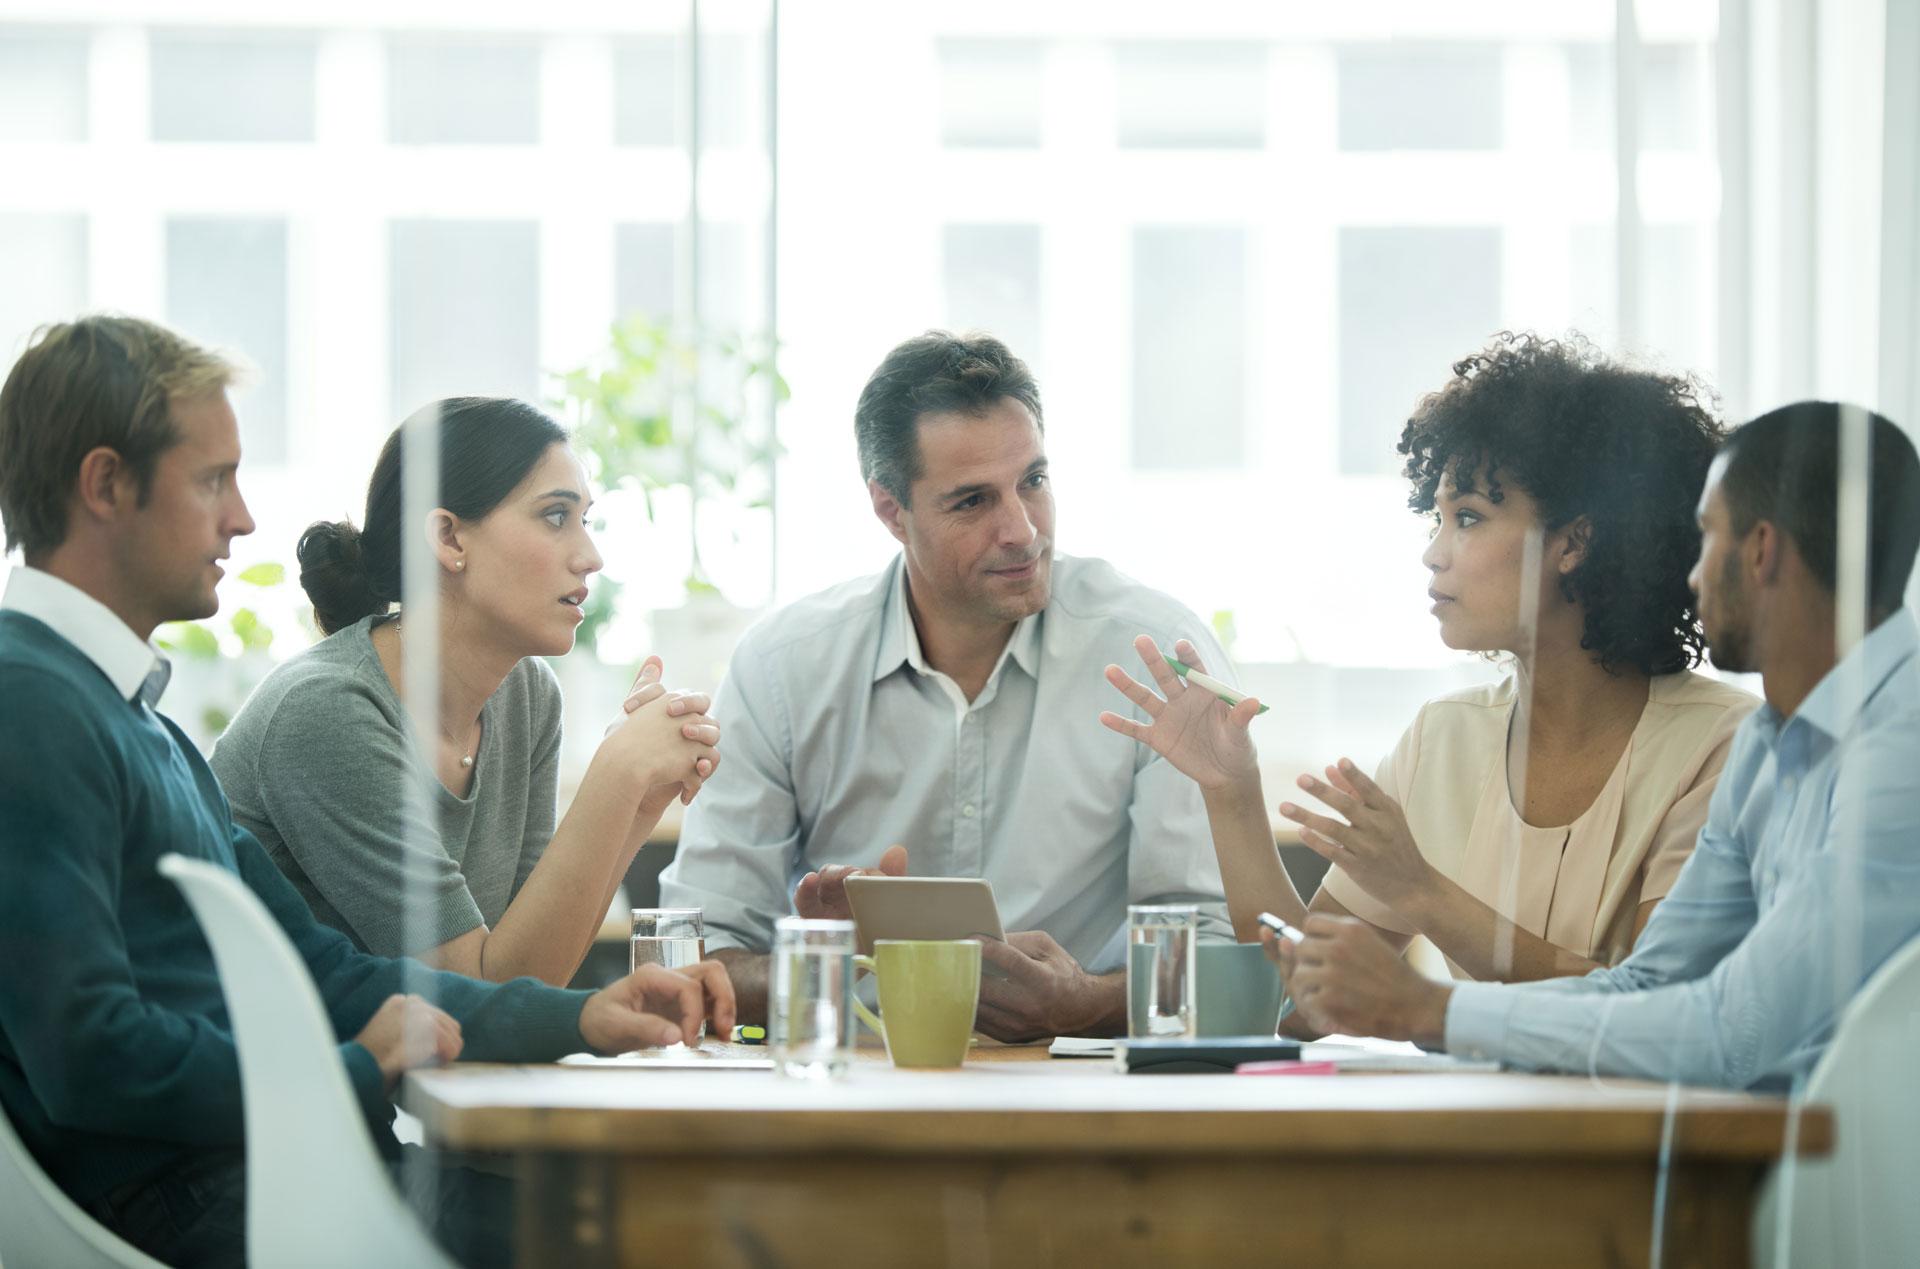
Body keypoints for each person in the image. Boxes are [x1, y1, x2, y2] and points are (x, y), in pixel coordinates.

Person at [0, 315, 737, 1269]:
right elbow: (90, 1059)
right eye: (213, 479)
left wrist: (584, 1018)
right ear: (105, 485)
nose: (245, 519)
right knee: (649, 1237)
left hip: (269, 1168)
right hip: (191, 1201)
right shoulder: (31, 705)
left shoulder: (138, 720)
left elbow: (329, 969)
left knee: (656, 1218)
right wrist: (353, 1065)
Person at [1267, 401, 1920, 1089]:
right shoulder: (1771, 743)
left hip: (1843, 1183)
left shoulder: (1898, 755)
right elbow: (1648, 989)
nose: (1691, 578)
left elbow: (1733, 1031)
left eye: (1708, 540)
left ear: (1760, 552)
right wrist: (1428, 1009)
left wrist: (1434, 1009)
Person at [1105, 333, 1754, 998]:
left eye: (1468, 518)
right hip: (1467, 1104)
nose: (1434, 554)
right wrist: (1233, 792)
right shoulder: (1444, 738)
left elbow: (1663, 1006)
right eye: (1437, 519)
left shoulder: (1725, 746)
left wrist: (1423, 892)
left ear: (1574, 542)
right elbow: (1307, 998)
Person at [658, 330, 1232, 1040]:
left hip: (1078, 1106)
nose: (1022, 529)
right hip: (852, 1105)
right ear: (890, 510)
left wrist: (1083, 1001)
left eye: (1034, 481)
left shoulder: (1155, 656)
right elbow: (702, 951)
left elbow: (1221, 947)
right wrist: (834, 959)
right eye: (972, 502)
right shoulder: (783, 668)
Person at [210, 399, 720, 984]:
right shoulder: (327, 711)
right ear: (449, 538)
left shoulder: (526, 695)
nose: (590, 556)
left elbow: (531, 972)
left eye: (586, 521)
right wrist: (616, 775)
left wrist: (642, 796)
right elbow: (476, 991)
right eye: (556, 517)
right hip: (292, 1070)